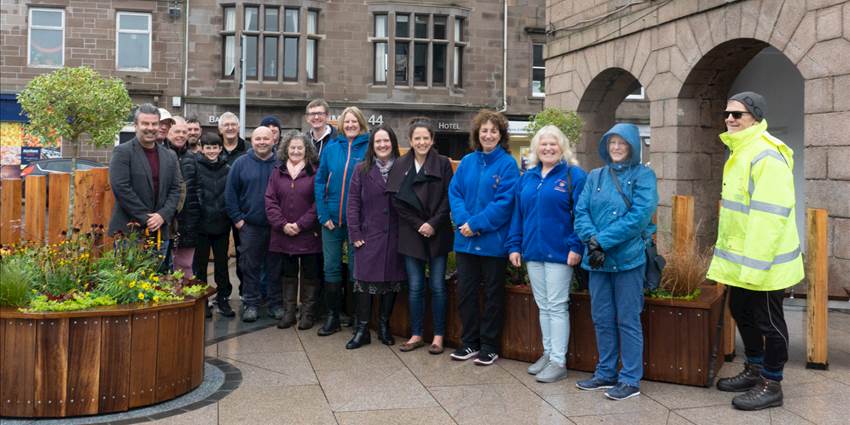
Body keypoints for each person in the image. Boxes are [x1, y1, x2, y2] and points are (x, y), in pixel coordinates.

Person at [707, 92, 803, 411]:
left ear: (756, 118)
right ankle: (755, 367)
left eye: (739, 114)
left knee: (769, 322)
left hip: (765, 264)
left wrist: (756, 266)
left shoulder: (765, 154)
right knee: (741, 310)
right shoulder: (740, 151)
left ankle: (772, 382)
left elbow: (769, 218)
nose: (730, 119)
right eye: (727, 114)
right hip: (744, 262)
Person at [573, 122, 658, 401]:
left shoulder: (644, 176)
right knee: (601, 318)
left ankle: (630, 379)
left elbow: (640, 216)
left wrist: (602, 241)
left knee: (628, 319)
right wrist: (592, 241)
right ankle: (605, 372)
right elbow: (581, 211)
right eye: (612, 142)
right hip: (597, 261)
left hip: (628, 260)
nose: (617, 147)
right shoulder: (595, 175)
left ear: (632, 146)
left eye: (623, 143)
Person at [507, 125, 586, 383]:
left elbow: (583, 214)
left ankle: (559, 361)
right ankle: (548, 353)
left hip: (560, 253)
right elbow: (518, 215)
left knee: (556, 305)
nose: (548, 148)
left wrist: (576, 246)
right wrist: (515, 245)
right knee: (543, 306)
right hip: (533, 252)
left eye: (553, 144)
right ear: (536, 149)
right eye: (543, 144)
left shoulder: (574, 176)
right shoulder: (527, 178)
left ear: (562, 147)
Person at [448, 110, 519, 366]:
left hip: (492, 243)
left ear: (501, 135)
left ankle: (489, 346)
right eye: (484, 130)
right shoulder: (467, 161)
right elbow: (454, 192)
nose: (488, 135)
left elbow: (505, 203)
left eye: (493, 131)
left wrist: (475, 224)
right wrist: (464, 221)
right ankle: (469, 343)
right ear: (477, 134)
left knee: (492, 296)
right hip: (465, 242)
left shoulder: (508, 164)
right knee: (465, 293)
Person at [386, 118, 454, 353]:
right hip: (411, 232)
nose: (422, 142)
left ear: (432, 140)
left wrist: (433, 224)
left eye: (426, 138)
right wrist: (419, 225)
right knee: (415, 286)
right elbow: (397, 201)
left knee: (437, 286)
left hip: (438, 230)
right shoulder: (400, 164)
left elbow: (449, 198)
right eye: (417, 138)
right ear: (410, 141)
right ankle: (416, 334)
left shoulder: (443, 164)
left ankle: (438, 337)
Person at [345, 125, 406, 349]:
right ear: (372, 145)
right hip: (368, 236)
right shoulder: (361, 169)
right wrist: (355, 233)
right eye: (378, 142)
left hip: (395, 237)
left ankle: (383, 326)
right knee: (364, 283)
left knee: (391, 283)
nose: (382, 145)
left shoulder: (403, 168)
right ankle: (362, 330)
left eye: (386, 141)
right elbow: (352, 204)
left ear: (392, 143)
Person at [314, 106, 370, 336]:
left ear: (361, 124)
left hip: (358, 222)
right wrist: (323, 214)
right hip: (331, 221)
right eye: (346, 122)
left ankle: (358, 318)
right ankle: (333, 316)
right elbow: (319, 181)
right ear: (340, 125)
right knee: (331, 268)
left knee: (356, 270)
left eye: (354, 122)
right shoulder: (331, 147)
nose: (350, 126)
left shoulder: (369, 147)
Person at [108, 104, 182, 271]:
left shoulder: (169, 156)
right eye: (145, 124)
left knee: (157, 284)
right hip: (130, 231)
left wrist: (162, 215)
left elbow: (175, 189)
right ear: (136, 125)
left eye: (154, 124)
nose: (150, 128)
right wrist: (147, 217)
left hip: (160, 232)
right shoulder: (122, 152)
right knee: (128, 287)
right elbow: (121, 188)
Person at [265, 131, 323, 330]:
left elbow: (318, 203)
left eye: (300, 148)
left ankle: (307, 314)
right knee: (288, 274)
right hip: (283, 233)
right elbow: (270, 200)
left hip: (308, 233)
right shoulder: (277, 171)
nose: (296, 151)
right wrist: (282, 224)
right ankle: (289, 313)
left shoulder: (316, 172)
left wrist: (301, 225)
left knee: (310, 274)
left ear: (307, 150)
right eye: (292, 147)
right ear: (285, 149)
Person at [224, 126, 280, 322]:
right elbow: (230, 195)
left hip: (276, 227)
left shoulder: (281, 163)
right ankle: (251, 303)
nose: (262, 142)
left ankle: (274, 303)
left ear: (273, 140)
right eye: (258, 139)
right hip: (250, 226)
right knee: (249, 266)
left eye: (266, 138)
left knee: (275, 267)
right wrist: (238, 220)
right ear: (252, 140)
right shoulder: (241, 164)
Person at [193, 132, 235, 317]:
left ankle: (223, 298)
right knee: (200, 265)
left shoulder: (228, 168)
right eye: (208, 147)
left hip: (221, 224)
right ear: (202, 148)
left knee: (221, 264)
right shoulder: (195, 166)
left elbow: (232, 194)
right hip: (201, 225)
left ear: (220, 148)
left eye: (215, 147)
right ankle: (203, 300)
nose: (211, 151)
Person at [167, 116, 200, 279]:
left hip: (188, 222)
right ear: (168, 133)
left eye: (184, 132)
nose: (181, 135)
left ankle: (184, 303)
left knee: (186, 266)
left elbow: (197, 191)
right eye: (176, 131)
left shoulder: (194, 158)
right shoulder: (162, 155)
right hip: (165, 220)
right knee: (164, 266)